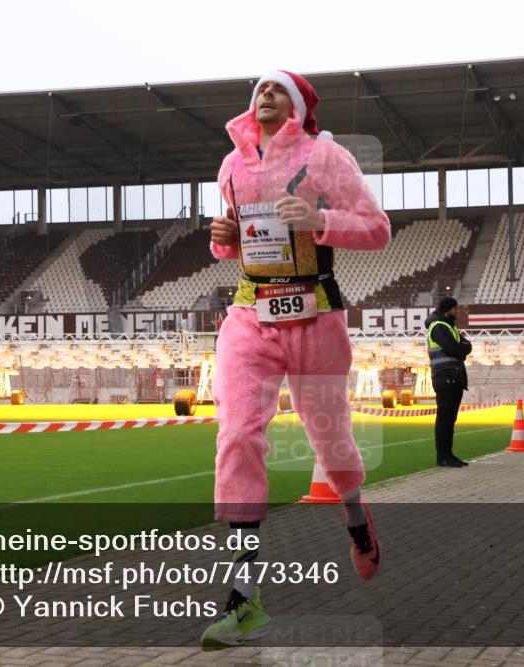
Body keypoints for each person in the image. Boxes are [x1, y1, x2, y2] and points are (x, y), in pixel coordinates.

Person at [202, 70, 390, 650]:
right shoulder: (231, 166)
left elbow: (378, 230)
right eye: (259, 88)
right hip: (249, 313)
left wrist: (320, 222)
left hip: (314, 312)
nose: (264, 95)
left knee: (330, 440)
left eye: (277, 89)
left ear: (299, 106)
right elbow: (232, 247)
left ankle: (357, 521)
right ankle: (243, 597)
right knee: (236, 432)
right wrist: (223, 237)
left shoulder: (325, 156)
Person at [425, 296, 473, 466]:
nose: (457, 312)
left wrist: (461, 350)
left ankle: (448, 455)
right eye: (455, 309)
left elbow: (467, 345)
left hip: (453, 377)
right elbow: (455, 348)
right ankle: (443, 457)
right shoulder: (438, 327)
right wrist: (461, 351)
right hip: (445, 377)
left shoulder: (449, 326)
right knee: (445, 420)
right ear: (448, 309)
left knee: (449, 420)